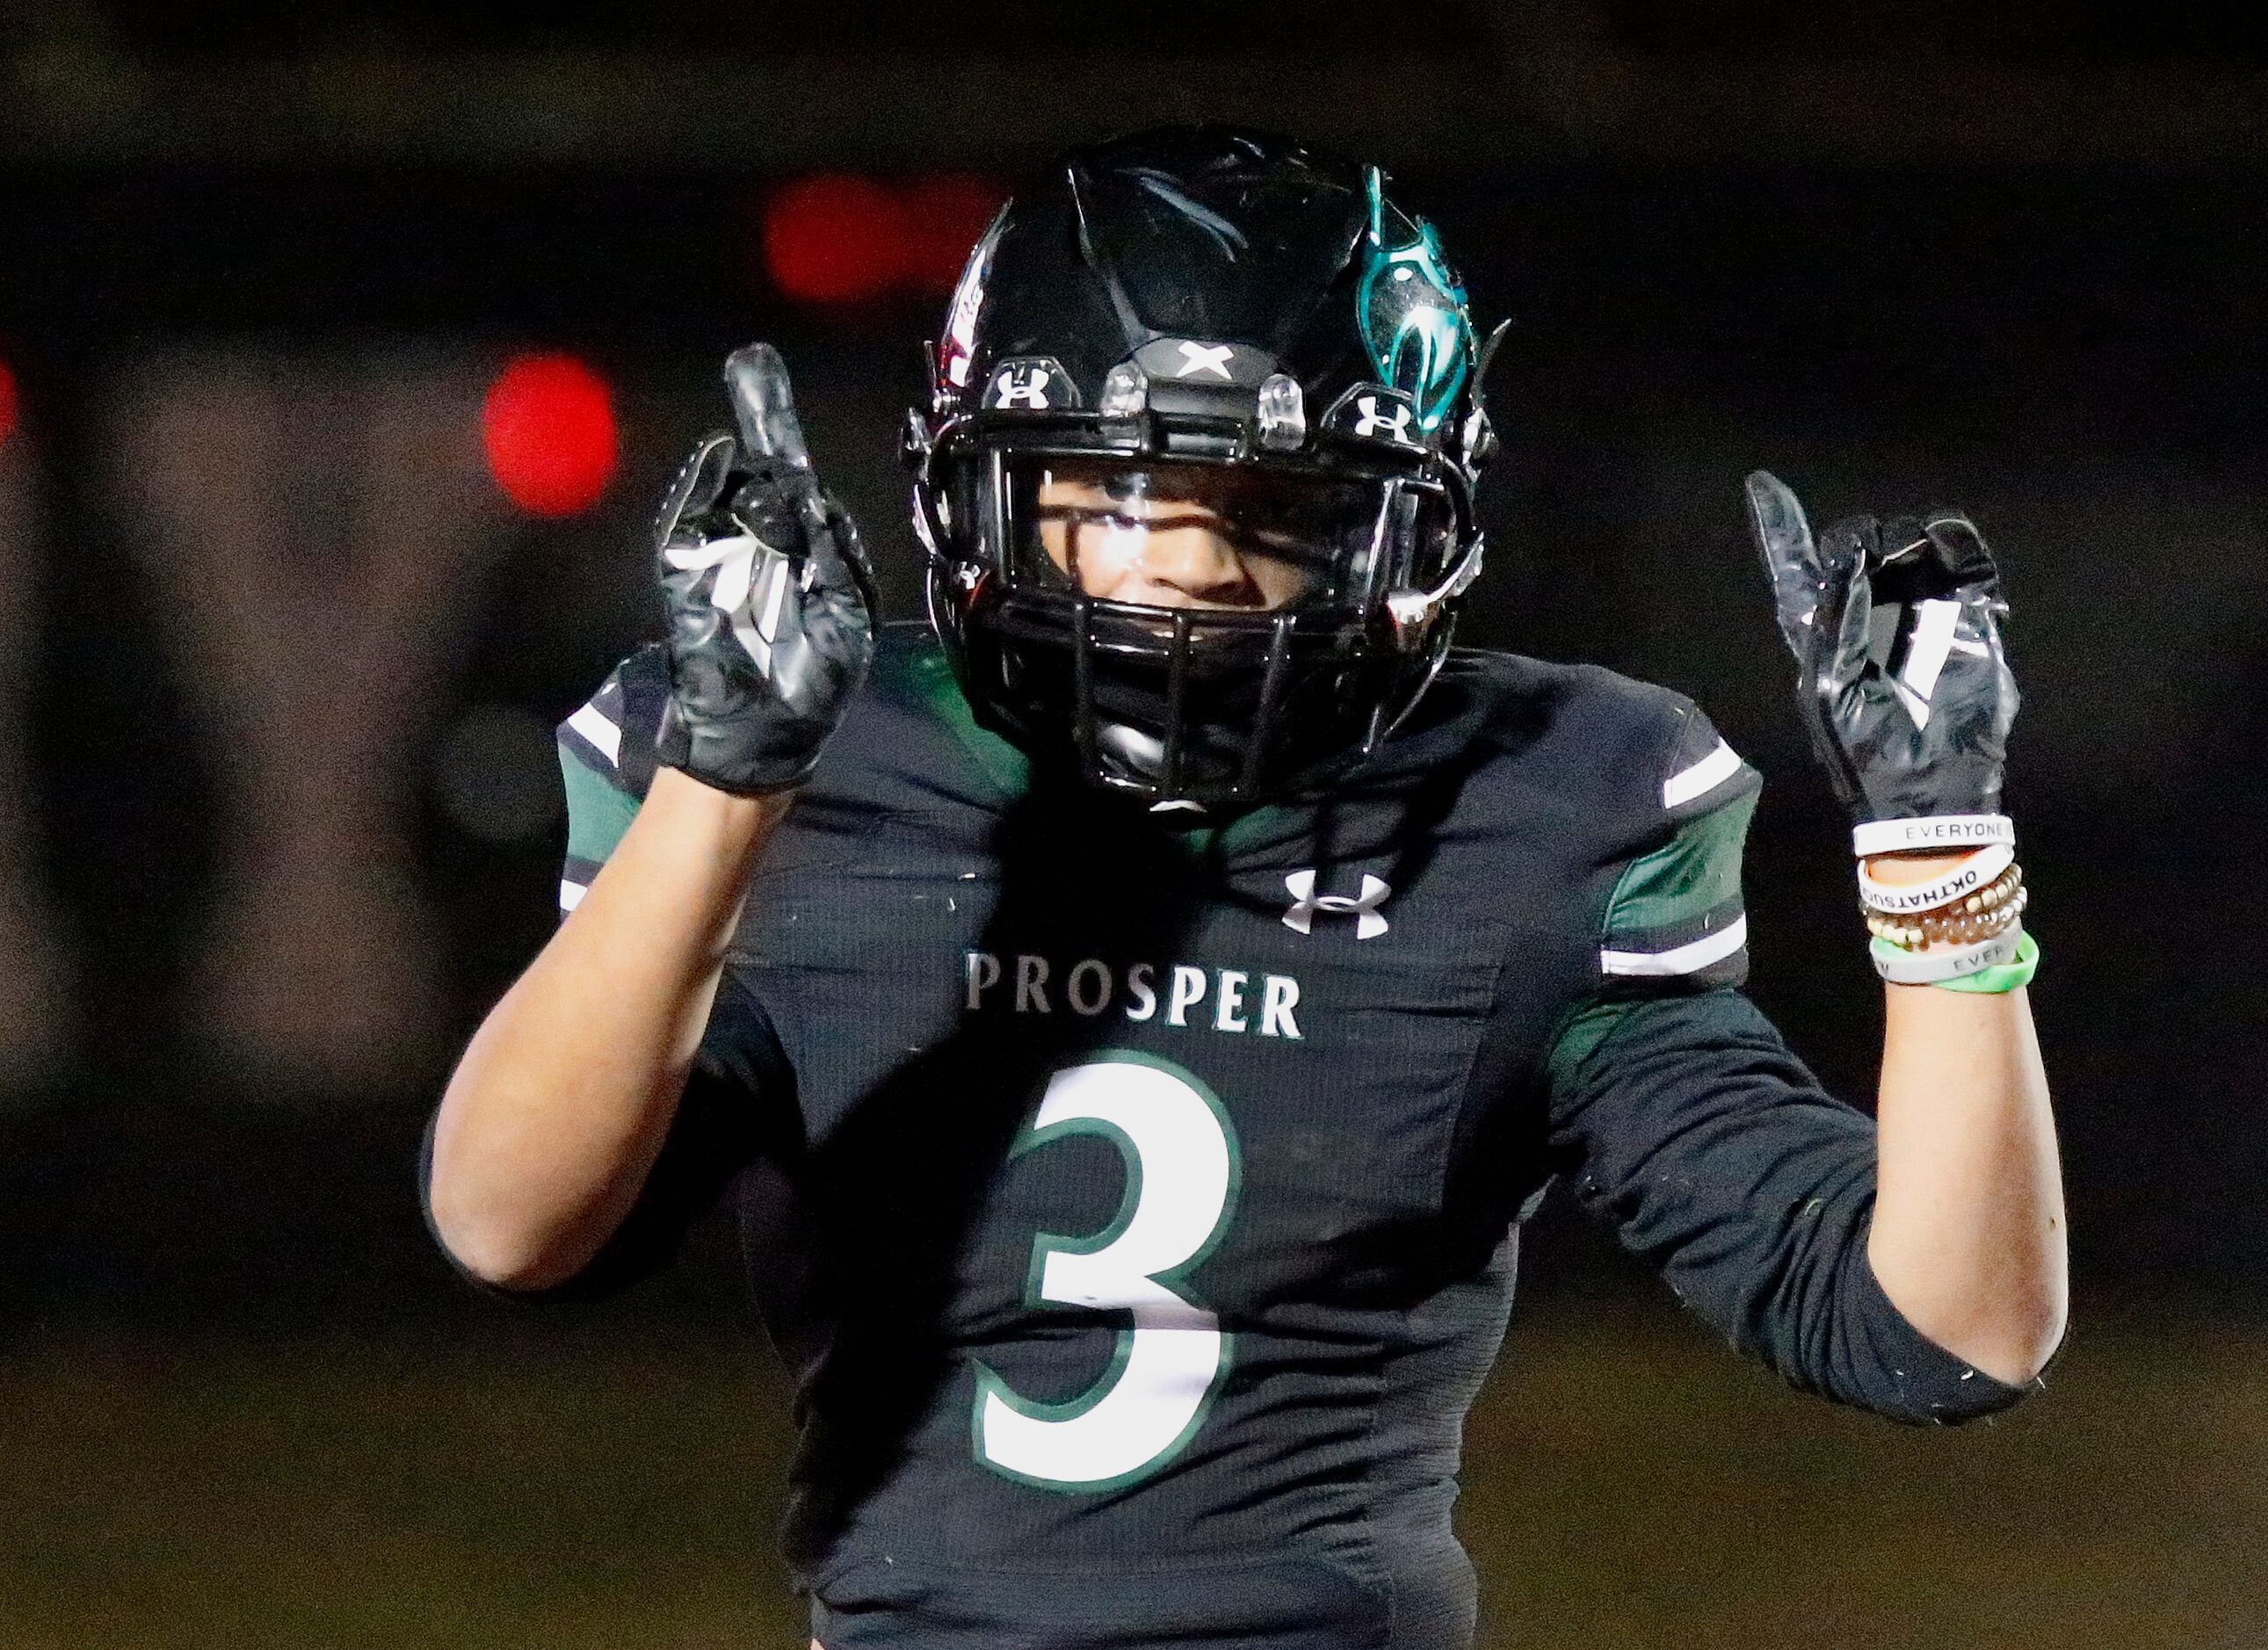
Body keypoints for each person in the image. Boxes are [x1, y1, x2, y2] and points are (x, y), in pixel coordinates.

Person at [424, 127, 2065, 1650]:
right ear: (978, 485)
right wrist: (721, 786)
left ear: (1404, 535)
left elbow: (1943, 1331)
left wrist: (1939, 851)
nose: (1188, 562)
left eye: (1272, 507)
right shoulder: (817, 769)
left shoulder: (1527, 809)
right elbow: (510, 1219)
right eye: (1116, 489)